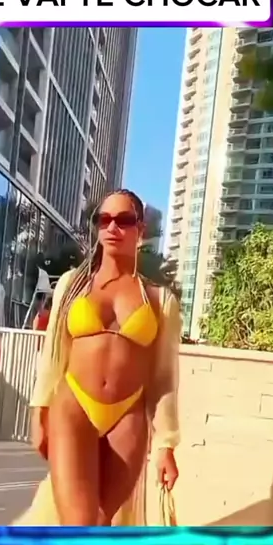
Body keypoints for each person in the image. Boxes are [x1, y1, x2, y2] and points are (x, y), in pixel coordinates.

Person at [17, 189, 181, 526]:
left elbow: (165, 378)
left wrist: (166, 444)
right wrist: (39, 412)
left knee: (102, 524)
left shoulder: (159, 299)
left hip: (128, 414)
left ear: (141, 229)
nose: (112, 227)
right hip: (74, 405)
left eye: (124, 220)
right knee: (79, 523)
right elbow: (52, 355)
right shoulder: (72, 285)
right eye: (104, 220)